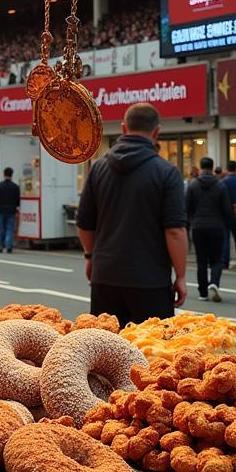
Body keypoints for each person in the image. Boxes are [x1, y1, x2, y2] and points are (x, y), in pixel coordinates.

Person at [76, 102, 187, 327]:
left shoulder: (98, 168)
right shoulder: (166, 172)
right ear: (156, 132)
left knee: (105, 352)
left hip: (105, 277)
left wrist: (91, 257)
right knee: (152, 354)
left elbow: (85, 224)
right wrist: (181, 277)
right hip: (150, 281)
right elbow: (175, 231)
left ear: (123, 128)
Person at [186, 157, 232, 302]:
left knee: (201, 260)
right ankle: (214, 283)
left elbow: (187, 207)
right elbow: (226, 209)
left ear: (200, 167)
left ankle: (203, 293)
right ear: (212, 167)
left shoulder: (192, 184)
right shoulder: (220, 185)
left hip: (198, 226)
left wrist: (193, 220)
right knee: (217, 259)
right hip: (216, 226)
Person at [0, 166, 20, 253]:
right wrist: (16, 209)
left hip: (1, 210)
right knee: (10, 228)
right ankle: (9, 246)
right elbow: (17, 200)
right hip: (11, 210)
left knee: (2, 228)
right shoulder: (15, 187)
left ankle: (1, 246)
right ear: (12, 175)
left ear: (4, 174)